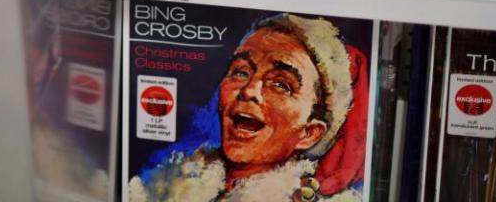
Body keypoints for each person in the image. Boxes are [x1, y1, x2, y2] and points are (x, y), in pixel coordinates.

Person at [129, 14, 367, 201]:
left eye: (281, 85)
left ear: (310, 133)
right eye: (241, 72)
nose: (249, 90)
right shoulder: (166, 179)